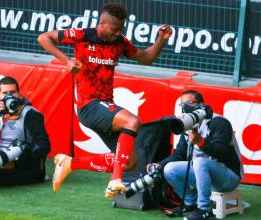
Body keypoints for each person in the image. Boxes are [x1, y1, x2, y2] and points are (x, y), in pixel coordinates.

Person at [37, 3, 172, 198]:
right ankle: (114, 181)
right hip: (89, 105)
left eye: (121, 30)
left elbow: (145, 58)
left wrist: (161, 39)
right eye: (115, 29)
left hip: (104, 106)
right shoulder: (82, 35)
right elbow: (44, 38)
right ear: (102, 22)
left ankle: (69, 163)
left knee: (128, 162)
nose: (118, 33)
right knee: (132, 121)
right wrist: (66, 61)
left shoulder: (119, 43)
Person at [148, 90, 243, 219]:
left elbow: (222, 152)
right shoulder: (188, 125)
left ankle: (204, 210)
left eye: (190, 103)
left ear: (202, 105)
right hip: (204, 174)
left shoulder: (219, 122)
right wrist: (159, 165)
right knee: (170, 168)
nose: (186, 107)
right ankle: (190, 203)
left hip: (228, 177)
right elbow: (179, 154)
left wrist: (201, 142)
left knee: (199, 161)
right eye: (182, 105)